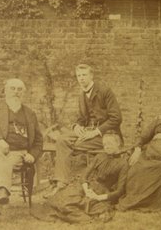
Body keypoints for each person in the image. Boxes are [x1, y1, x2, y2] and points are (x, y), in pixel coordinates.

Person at [47, 64, 123, 196]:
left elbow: (117, 118)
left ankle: (74, 182)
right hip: (87, 133)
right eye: (79, 76)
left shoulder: (105, 91)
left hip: (107, 135)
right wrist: (77, 127)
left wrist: (95, 132)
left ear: (91, 76)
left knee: (73, 144)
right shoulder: (81, 95)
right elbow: (81, 118)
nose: (81, 78)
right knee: (61, 140)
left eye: (84, 75)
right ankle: (61, 181)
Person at [0, 78, 43, 228]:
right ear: (5, 91)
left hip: (19, 153)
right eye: (12, 88)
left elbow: (39, 140)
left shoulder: (29, 113)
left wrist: (32, 154)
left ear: (24, 93)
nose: (16, 92)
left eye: (20, 89)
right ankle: (0, 191)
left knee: (2, 162)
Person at [32, 132, 128, 223]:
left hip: (101, 192)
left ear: (118, 144)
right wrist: (86, 189)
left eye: (110, 143)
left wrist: (98, 197)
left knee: (76, 205)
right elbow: (84, 175)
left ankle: (81, 216)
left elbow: (120, 191)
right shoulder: (100, 156)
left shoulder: (123, 164)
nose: (107, 146)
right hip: (87, 186)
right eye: (105, 144)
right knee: (61, 200)